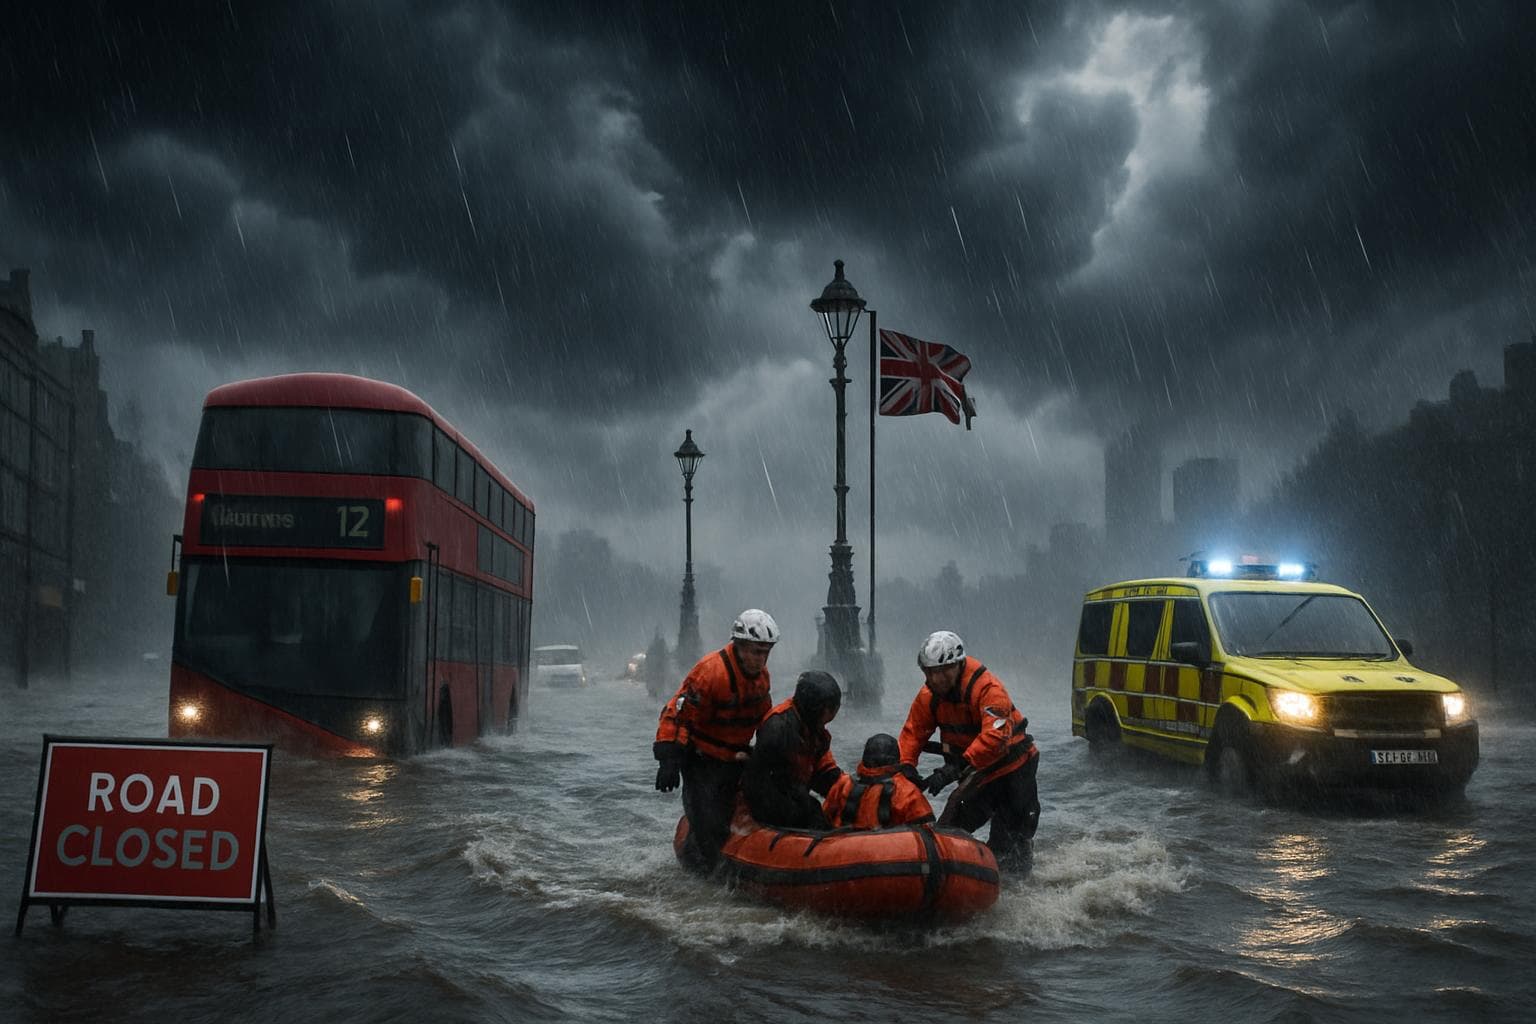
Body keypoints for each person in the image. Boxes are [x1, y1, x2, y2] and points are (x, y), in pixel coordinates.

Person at [898, 630, 1039, 870]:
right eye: (931, 673)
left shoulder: (988, 689)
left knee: (1009, 845)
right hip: (978, 773)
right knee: (948, 831)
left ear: (959, 665)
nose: (938, 679)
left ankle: (1014, 879)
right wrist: (906, 767)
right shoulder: (928, 696)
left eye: (943, 671)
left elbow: (995, 738)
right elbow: (913, 733)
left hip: (1013, 771)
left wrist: (953, 769)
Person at [654, 609, 779, 873]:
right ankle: (704, 866)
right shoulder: (710, 673)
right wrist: (669, 760)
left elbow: (764, 716)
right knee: (710, 825)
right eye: (756, 652)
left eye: (766, 652)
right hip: (702, 760)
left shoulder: (761, 677)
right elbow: (677, 714)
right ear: (740, 646)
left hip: (736, 757)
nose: (761, 659)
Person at [741, 670, 845, 830]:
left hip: (793, 791)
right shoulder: (778, 729)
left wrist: (845, 790)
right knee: (812, 813)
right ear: (814, 707)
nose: (830, 716)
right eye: (829, 710)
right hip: (771, 797)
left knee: (833, 802)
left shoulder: (814, 729)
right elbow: (762, 782)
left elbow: (822, 769)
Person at [822, 733, 935, 829]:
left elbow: (824, 819)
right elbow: (925, 833)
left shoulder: (842, 784)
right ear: (896, 760)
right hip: (889, 851)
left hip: (842, 848)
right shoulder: (907, 792)